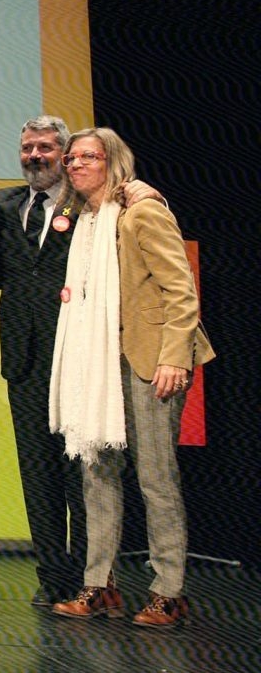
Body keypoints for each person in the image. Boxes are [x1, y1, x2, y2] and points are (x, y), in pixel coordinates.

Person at [49, 127, 214, 628]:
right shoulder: (81, 221)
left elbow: (180, 290)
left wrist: (175, 357)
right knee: (96, 474)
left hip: (147, 360)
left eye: (88, 157)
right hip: (94, 362)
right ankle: (98, 585)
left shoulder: (142, 211)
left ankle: (169, 591)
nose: (76, 165)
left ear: (112, 161)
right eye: (72, 158)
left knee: (156, 479)